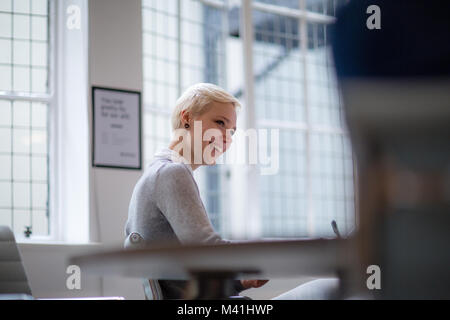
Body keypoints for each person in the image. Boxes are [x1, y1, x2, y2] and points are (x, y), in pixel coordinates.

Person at [124, 83, 269, 299]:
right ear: (187, 118)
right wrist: (275, 252)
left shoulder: (157, 173)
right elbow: (207, 250)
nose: (227, 138)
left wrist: (240, 282)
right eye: (220, 123)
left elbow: (182, 285)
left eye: (231, 132)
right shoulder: (172, 173)